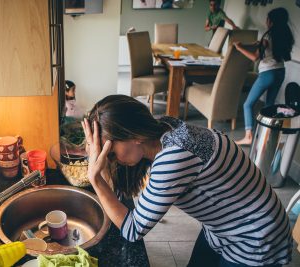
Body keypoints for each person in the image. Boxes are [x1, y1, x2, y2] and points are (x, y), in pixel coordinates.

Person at [81, 95, 292, 267]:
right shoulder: (164, 128)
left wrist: (95, 178)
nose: (109, 158)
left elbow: (132, 229)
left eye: (109, 151)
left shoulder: (173, 158)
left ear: (134, 135)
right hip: (221, 228)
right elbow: (119, 194)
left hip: (255, 236)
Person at [234, 8, 294, 145]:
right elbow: (270, 49)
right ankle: (266, 135)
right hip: (280, 72)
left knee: (248, 104)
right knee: (269, 104)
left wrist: (239, 48)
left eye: (267, 19)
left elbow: (255, 57)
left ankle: (248, 136)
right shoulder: (284, 35)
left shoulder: (267, 36)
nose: (266, 22)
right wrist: (258, 44)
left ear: (271, 21)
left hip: (267, 73)